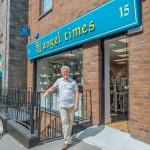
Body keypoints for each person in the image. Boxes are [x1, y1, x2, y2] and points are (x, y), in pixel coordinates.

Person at [44, 66, 79, 150]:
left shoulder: (73, 82)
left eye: (66, 72)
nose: (65, 73)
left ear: (69, 72)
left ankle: (68, 139)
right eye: (63, 72)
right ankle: (66, 141)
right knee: (64, 122)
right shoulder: (59, 81)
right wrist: (46, 92)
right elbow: (53, 87)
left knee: (70, 123)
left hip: (71, 105)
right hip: (62, 105)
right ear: (61, 73)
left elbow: (77, 92)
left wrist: (76, 104)